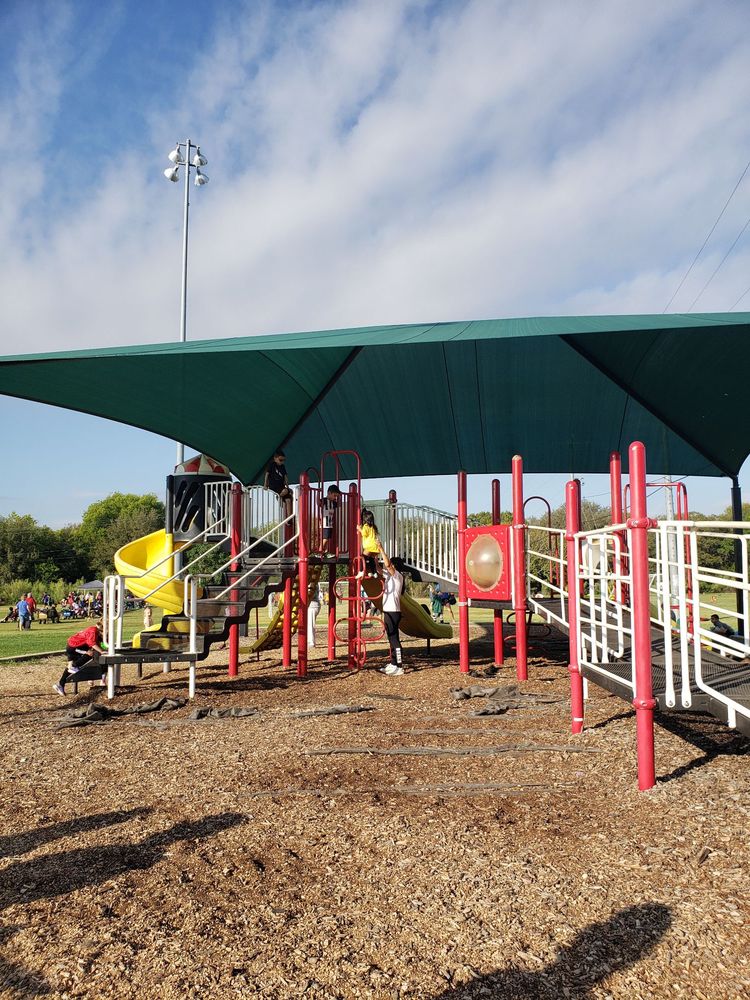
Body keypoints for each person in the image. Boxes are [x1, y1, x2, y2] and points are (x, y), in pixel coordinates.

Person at [53, 620, 106, 696]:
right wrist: (101, 651)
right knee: (89, 654)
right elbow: (92, 643)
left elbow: (95, 643)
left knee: (72, 667)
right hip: (74, 647)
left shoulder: (94, 631)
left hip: (72, 645)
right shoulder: (93, 631)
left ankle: (60, 684)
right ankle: (74, 669)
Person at [376, 545, 405, 675]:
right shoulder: (389, 577)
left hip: (393, 611)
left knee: (394, 640)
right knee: (391, 638)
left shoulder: (398, 576)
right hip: (389, 610)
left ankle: (399, 666)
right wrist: (374, 558)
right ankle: (393, 663)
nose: (389, 566)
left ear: (395, 566)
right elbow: (379, 569)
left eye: (392, 565)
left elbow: (387, 565)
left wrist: (381, 549)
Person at [264, 448, 293, 516]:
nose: (282, 462)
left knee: (288, 499)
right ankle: (279, 497)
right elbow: (267, 474)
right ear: (275, 458)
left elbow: (285, 477)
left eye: (283, 460)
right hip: (274, 486)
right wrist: (265, 484)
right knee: (286, 491)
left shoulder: (282, 466)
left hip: (281, 487)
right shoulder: (272, 465)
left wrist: (288, 487)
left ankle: (289, 518)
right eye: (280, 460)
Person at [356, 509, 380, 577]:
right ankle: (374, 572)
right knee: (371, 560)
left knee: (362, 558)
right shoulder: (373, 527)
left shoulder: (366, 526)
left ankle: (361, 571)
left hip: (369, 546)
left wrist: (359, 529)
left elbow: (364, 534)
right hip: (375, 547)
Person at [320, 484, 341, 557]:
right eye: (334, 495)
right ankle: (320, 552)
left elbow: (339, 504)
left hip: (330, 523)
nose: (335, 498)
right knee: (325, 538)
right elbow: (318, 503)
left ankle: (325, 552)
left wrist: (339, 496)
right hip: (325, 522)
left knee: (327, 538)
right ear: (329, 493)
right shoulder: (324, 500)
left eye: (336, 496)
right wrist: (318, 492)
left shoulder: (333, 503)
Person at [307, 582, 323, 647]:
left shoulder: (312, 583)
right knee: (309, 624)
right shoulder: (314, 582)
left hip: (312, 605)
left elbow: (311, 595)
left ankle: (311, 642)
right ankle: (310, 641)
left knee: (310, 624)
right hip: (313, 605)